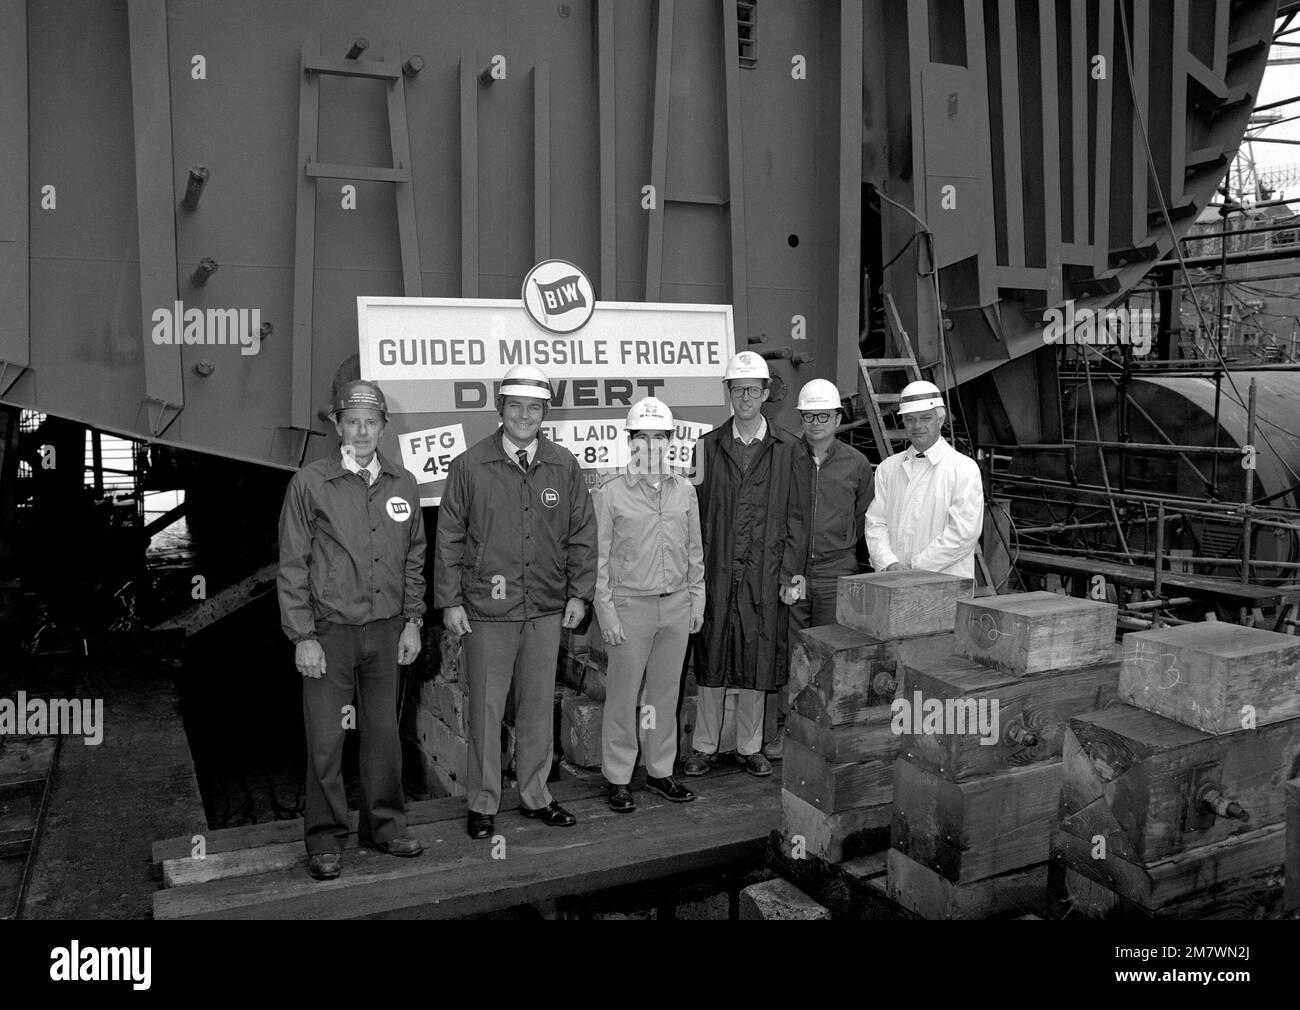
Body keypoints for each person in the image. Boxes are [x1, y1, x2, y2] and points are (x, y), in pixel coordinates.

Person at [434, 364, 597, 839]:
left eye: (534, 408)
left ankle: (535, 795)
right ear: (500, 409)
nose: (524, 416)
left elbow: (582, 533)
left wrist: (579, 593)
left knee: (537, 708)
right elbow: (449, 537)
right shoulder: (469, 466)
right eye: (516, 406)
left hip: (544, 608)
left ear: (545, 413)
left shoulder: (564, 465)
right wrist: (450, 601)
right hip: (487, 610)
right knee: (486, 709)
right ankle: (483, 802)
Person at [277, 379, 427, 881]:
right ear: (338, 426)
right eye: (353, 422)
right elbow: (293, 563)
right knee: (327, 739)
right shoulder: (310, 483)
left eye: (371, 422)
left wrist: (412, 621)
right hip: (330, 634)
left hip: (386, 632)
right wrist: (302, 636)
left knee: (383, 735)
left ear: (383, 427)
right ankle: (324, 839)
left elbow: (414, 558)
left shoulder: (403, 483)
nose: (362, 431)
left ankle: (385, 827)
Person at [684, 351, 797, 779]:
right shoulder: (706, 447)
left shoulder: (788, 449)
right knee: (712, 654)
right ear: (728, 393)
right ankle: (704, 746)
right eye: (737, 389)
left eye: (752, 389)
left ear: (766, 393)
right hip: (716, 569)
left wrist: (788, 574)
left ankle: (750, 746)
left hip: (764, 571)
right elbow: (691, 514)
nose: (745, 397)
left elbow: (796, 518)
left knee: (757, 655)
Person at [593, 397, 704, 812]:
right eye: (643, 437)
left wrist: (696, 600)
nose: (652, 445)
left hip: (675, 606)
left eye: (660, 437)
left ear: (670, 441)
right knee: (623, 697)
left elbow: (694, 552)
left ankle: (659, 771)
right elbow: (598, 560)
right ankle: (619, 777)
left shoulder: (685, 490)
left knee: (663, 695)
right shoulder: (610, 493)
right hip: (629, 609)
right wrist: (606, 612)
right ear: (631, 441)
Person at [773, 379, 874, 759]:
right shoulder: (786, 458)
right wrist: (786, 570)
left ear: (837, 418)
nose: (816, 422)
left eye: (823, 416)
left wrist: (840, 545)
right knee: (794, 653)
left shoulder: (856, 463)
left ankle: (830, 734)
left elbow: (864, 516)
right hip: (794, 570)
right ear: (800, 418)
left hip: (837, 572)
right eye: (809, 416)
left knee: (834, 652)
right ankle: (791, 729)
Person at [865, 379, 983, 578]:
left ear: (940, 419)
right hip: (893, 579)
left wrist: (915, 568)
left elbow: (963, 533)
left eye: (925, 418)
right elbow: (876, 522)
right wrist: (889, 563)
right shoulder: (889, 468)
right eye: (910, 419)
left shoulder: (963, 469)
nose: (917, 426)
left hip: (944, 582)